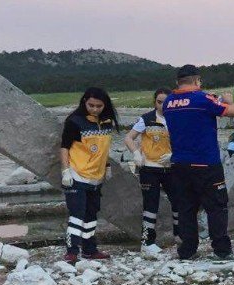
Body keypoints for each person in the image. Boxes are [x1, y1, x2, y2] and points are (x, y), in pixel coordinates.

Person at [162, 64, 234, 262]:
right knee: (217, 206)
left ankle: (187, 250)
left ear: (177, 82)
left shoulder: (169, 102)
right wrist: (228, 100)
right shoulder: (203, 98)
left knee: (186, 208)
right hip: (205, 162)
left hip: (179, 163)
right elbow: (232, 112)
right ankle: (222, 249)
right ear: (197, 80)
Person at [59, 87, 119, 264]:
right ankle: (71, 252)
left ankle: (90, 250)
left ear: (105, 105)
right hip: (77, 175)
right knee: (77, 214)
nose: (94, 109)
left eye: (99, 106)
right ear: (84, 102)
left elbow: (103, 150)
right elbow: (64, 147)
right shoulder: (74, 121)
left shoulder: (107, 122)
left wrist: (107, 167)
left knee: (91, 215)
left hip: (96, 177)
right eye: (91, 105)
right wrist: (65, 171)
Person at [124, 88, 176, 256]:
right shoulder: (146, 119)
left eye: (166, 102)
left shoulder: (178, 118)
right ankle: (147, 243)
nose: (162, 105)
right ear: (154, 102)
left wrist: (175, 155)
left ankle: (181, 237)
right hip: (149, 168)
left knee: (179, 202)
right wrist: (136, 153)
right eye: (159, 102)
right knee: (150, 204)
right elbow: (128, 138)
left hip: (171, 167)